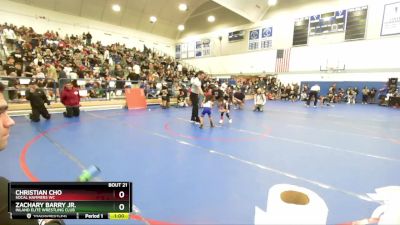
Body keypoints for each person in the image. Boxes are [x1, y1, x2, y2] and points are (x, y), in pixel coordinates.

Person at [0, 83, 65, 225]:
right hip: (34, 107)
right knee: (35, 117)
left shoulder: (40, 91)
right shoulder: (2, 192)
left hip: (40, 105)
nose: (10, 121)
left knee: (46, 115)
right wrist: (52, 217)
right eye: (0, 113)